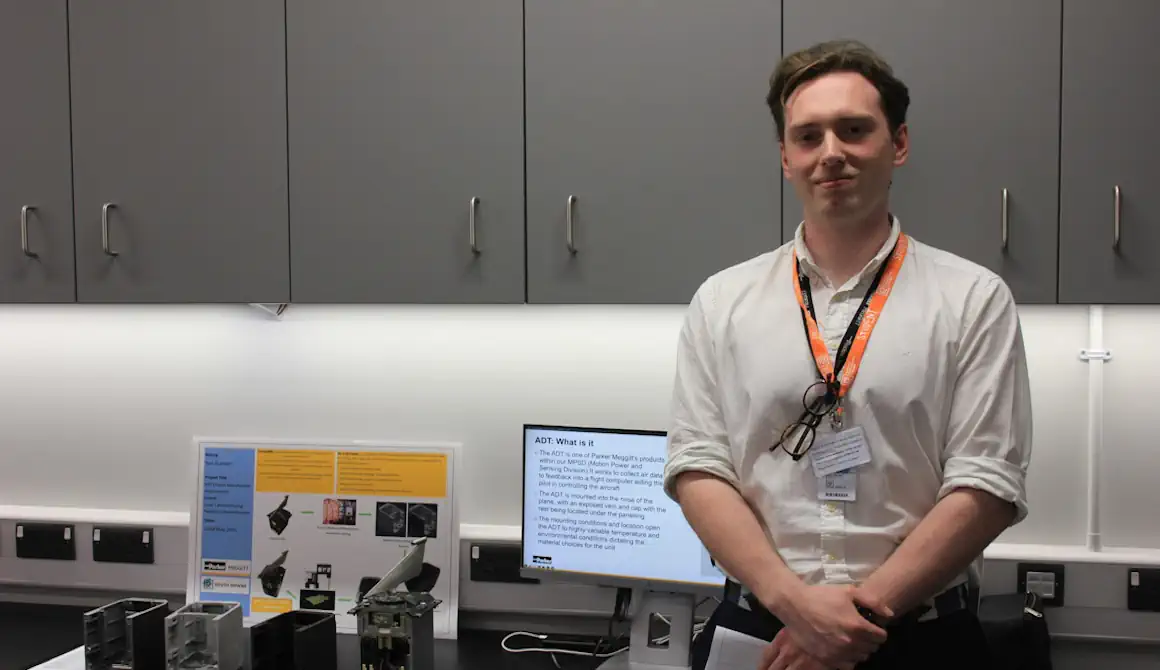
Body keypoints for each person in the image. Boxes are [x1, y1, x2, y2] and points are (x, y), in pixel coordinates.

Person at [664, 40, 1032, 670]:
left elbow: (987, 483)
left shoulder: (973, 298)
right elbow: (697, 468)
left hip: (921, 639)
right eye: (808, 136)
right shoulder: (721, 301)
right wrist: (800, 613)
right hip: (764, 634)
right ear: (785, 157)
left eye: (854, 130)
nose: (830, 152)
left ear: (899, 144)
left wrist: (851, 622)